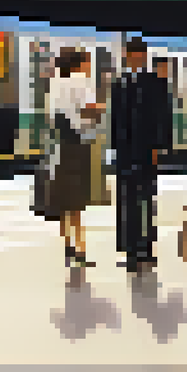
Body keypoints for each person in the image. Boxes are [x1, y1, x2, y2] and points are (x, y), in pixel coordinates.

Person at [109, 38, 173, 272]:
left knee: (146, 198)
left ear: (144, 57)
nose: (135, 60)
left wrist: (160, 147)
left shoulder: (156, 83)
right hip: (125, 152)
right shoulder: (119, 84)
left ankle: (146, 247)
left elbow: (164, 116)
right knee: (126, 200)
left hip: (147, 151)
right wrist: (114, 147)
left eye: (139, 56)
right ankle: (129, 250)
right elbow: (115, 119)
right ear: (126, 57)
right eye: (131, 56)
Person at [46, 47, 108, 268]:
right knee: (77, 198)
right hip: (77, 142)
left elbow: (53, 115)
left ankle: (67, 243)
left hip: (60, 143)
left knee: (64, 195)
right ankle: (80, 248)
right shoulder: (80, 81)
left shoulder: (55, 83)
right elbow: (88, 109)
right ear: (78, 63)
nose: (89, 66)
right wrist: (103, 108)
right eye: (87, 62)